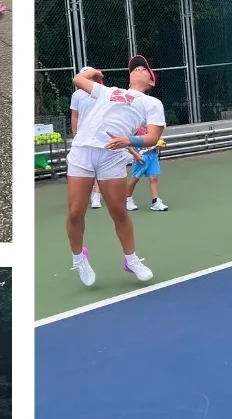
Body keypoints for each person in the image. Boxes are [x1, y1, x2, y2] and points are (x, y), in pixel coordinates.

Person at [62, 58, 163, 289]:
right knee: (76, 212)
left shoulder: (152, 102)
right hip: (83, 151)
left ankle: (131, 260)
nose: (138, 69)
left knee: (118, 212)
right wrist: (95, 71)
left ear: (151, 80)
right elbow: (78, 79)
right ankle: (79, 258)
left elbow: (153, 137)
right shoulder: (108, 90)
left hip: (112, 156)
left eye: (144, 68)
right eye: (134, 67)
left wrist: (129, 140)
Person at [123, 122, 168, 213]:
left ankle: (155, 202)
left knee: (154, 178)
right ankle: (127, 200)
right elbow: (128, 142)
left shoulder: (155, 128)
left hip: (153, 156)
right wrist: (135, 154)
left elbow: (161, 142)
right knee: (135, 178)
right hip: (140, 156)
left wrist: (162, 145)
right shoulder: (135, 126)